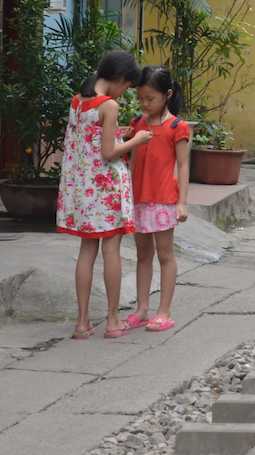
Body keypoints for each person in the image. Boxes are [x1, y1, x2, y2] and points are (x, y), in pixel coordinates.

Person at [57, 50, 152, 340]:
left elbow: (88, 141)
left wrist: (118, 135)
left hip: (84, 190)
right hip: (106, 188)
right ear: (120, 78)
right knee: (112, 250)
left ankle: (82, 322)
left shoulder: (79, 100)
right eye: (126, 87)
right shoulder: (108, 105)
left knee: (87, 252)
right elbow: (108, 152)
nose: (124, 94)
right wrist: (136, 139)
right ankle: (112, 320)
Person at [125, 65, 192, 333]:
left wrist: (182, 202)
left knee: (165, 254)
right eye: (140, 98)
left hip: (163, 200)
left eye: (150, 99)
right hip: (138, 198)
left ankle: (164, 310)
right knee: (143, 255)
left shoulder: (177, 127)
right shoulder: (137, 124)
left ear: (167, 94)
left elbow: (184, 166)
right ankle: (142, 309)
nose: (144, 103)